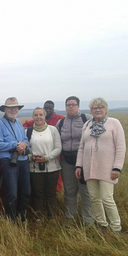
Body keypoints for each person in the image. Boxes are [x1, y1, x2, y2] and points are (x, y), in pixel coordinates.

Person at [76, 98, 126, 232]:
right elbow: (82, 147)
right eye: (94, 108)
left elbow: (120, 148)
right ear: (91, 110)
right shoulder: (87, 124)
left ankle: (116, 228)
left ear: (106, 109)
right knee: (94, 198)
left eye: (101, 107)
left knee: (107, 199)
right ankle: (102, 225)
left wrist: (117, 167)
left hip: (108, 169)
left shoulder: (114, 123)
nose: (97, 110)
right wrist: (78, 165)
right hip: (89, 169)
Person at [56, 96, 93, 225]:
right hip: (66, 160)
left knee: (85, 191)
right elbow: (57, 142)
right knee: (69, 191)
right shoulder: (61, 123)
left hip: (84, 160)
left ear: (78, 106)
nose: (70, 107)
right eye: (68, 105)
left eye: (73, 104)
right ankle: (69, 219)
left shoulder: (87, 120)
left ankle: (88, 221)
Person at [0, 97, 30, 223]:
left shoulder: (18, 123)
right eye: (10, 108)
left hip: (23, 160)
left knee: (26, 191)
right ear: (5, 109)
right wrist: (15, 145)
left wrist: (24, 145)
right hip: (9, 161)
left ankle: (22, 216)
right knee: (12, 193)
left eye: (15, 108)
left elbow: (25, 140)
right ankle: (11, 220)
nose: (13, 110)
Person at [27, 107, 62, 220]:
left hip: (52, 167)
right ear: (33, 117)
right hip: (34, 168)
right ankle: (38, 217)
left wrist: (46, 158)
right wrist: (31, 157)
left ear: (45, 116)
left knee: (51, 193)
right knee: (37, 194)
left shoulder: (53, 130)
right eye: (36, 115)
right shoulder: (28, 131)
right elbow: (24, 150)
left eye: (41, 115)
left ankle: (52, 217)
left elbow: (58, 148)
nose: (38, 117)